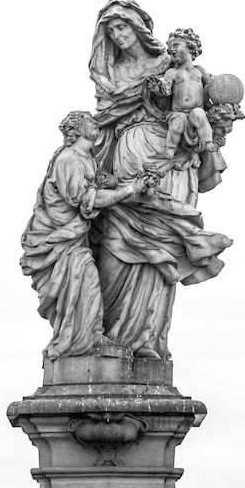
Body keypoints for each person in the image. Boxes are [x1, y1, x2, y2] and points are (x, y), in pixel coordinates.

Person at [89, 0, 232, 359]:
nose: (119, 36)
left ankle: (146, 341)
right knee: (117, 244)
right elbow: (102, 123)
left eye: (123, 28)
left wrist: (219, 122)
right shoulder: (109, 74)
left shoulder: (169, 63)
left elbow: (199, 103)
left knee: (163, 248)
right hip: (128, 155)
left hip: (173, 162)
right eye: (111, 32)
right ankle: (109, 338)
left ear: (138, 27)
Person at [20, 111, 146, 361]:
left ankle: (88, 336)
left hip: (75, 238)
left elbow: (97, 185)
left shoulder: (87, 158)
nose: (95, 123)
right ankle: (80, 341)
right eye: (89, 120)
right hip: (59, 240)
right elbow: (86, 200)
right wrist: (131, 189)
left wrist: (115, 182)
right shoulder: (68, 159)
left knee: (84, 282)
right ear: (77, 129)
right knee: (85, 279)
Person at [157, 28, 217, 159]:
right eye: (169, 47)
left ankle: (207, 142)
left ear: (190, 46)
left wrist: (218, 86)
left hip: (197, 110)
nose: (170, 50)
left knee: (199, 116)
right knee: (176, 124)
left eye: (176, 45)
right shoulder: (172, 72)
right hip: (178, 112)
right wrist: (160, 87)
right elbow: (166, 88)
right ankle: (170, 149)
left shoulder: (200, 71)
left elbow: (210, 87)